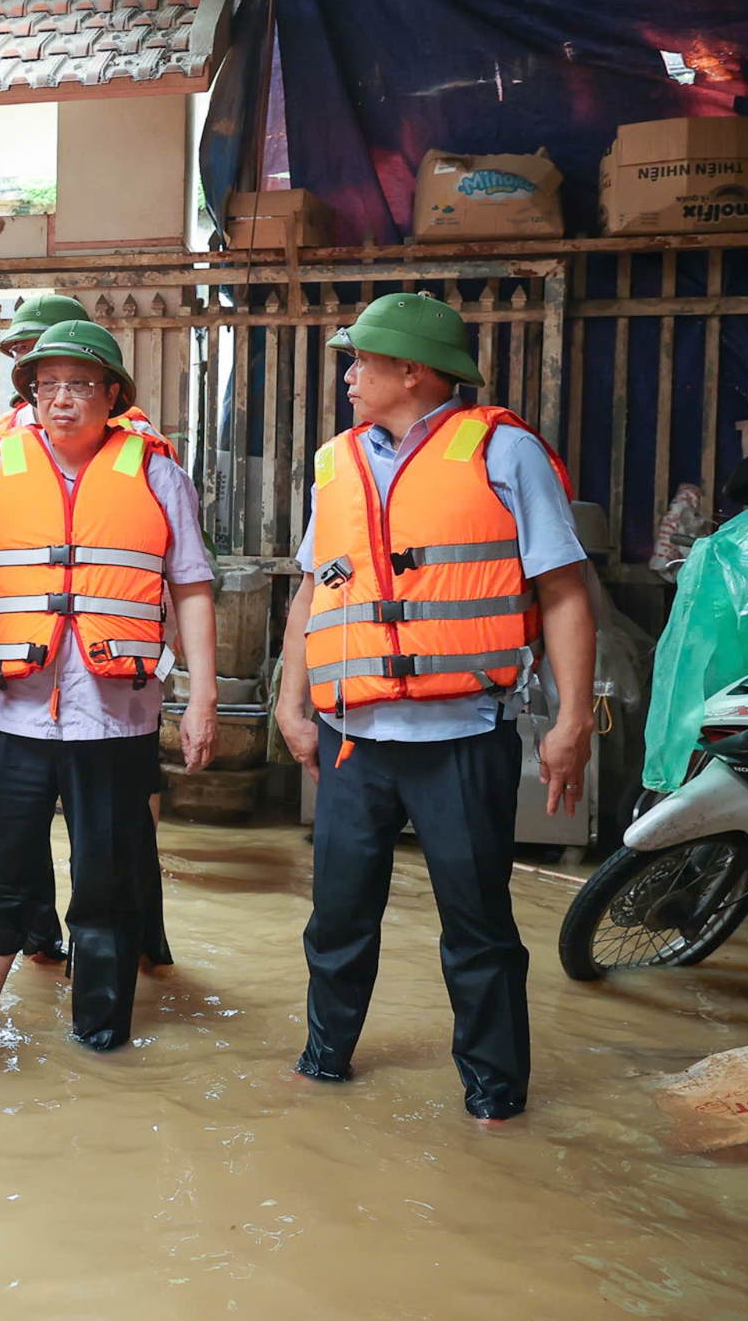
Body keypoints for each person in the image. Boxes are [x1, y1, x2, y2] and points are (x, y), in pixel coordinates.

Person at [274, 291, 595, 1122]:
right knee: (337, 920)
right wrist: (291, 699)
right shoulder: (335, 462)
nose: (348, 377)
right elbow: (313, 593)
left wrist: (572, 721)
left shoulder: (504, 452)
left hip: (463, 737)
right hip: (354, 740)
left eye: (361, 361)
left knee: (478, 928)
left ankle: (494, 1100)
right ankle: (323, 1063)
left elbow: (562, 591)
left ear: (412, 372)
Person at [0, 320, 217, 1051]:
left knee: (106, 881)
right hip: (8, 715)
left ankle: (100, 1035)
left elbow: (193, 588)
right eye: (46, 383)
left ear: (112, 395)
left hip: (113, 722)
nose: (60, 399)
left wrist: (204, 695)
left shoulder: (156, 474)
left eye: (79, 384)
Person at [0, 293, 171, 967]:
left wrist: (159, 673)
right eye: (26, 356)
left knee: (119, 841)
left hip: (111, 686)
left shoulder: (137, 450)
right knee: (13, 837)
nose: (38, 370)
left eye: (48, 354)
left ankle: (134, 946)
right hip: (18, 676)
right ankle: (40, 939)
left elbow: (160, 567)